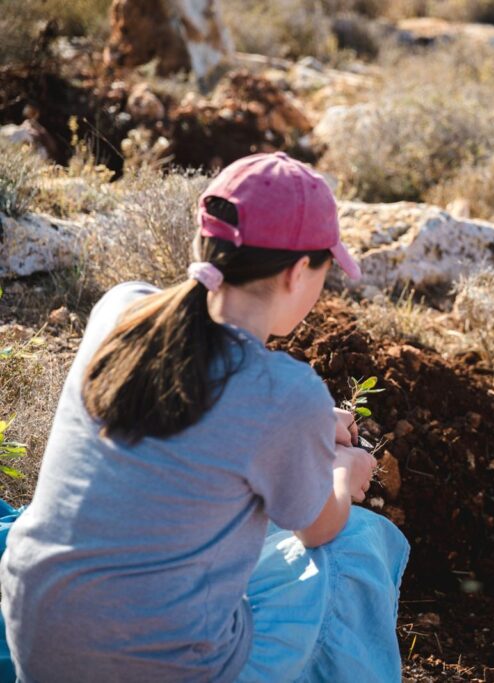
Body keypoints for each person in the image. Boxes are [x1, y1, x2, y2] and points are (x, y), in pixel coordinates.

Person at [0, 152, 409, 682]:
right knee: (352, 544)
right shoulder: (285, 393)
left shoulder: (121, 310)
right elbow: (316, 530)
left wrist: (306, 424)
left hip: (36, 638)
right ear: (297, 272)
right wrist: (342, 473)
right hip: (161, 670)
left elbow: (205, 414)